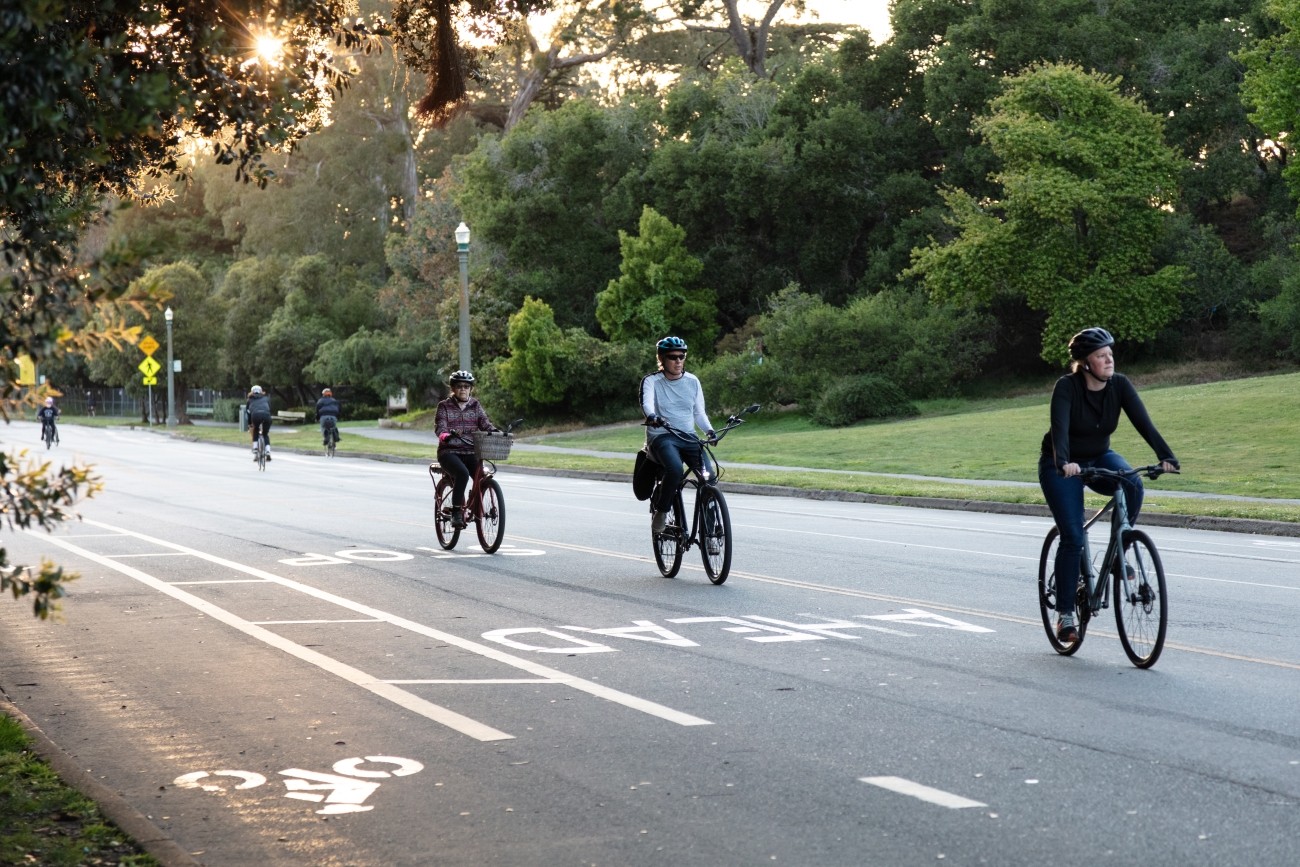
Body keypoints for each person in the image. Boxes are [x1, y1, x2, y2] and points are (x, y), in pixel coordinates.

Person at [1039, 327, 1179, 644]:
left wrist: (1166, 456)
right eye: (1101, 356)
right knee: (1073, 536)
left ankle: (1117, 557)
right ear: (1086, 363)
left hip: (1100, 455)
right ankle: (1065, 615)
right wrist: (1064, 463)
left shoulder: (1120, 385)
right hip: (1061, 465)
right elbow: (1059, 430)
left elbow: (1144, 423)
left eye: (1110, 354)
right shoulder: (1066, 388)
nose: (1109, 360)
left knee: (1132, 484)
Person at [639, 336, 716, 533]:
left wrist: (709, 430)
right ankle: (662, 512)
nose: (678, 361)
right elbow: (646, 404)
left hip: (687, 437)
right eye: (673, 357)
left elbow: (699, 412)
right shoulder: (651, 381)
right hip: (661, 437)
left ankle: (710, 528)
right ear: (662, 359)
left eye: (682, 356)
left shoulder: (692, 381)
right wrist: (653, 416)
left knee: (709, 477)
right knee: (674, 469)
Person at [435, 370, 497, 529]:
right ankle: (456, 512)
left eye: (466, 386)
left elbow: (485, 423)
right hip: (449, 452)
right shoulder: (444, 406)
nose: (463, 389)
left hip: (470, 450)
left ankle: (474, 505)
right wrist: (445, 435)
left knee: (482, 475)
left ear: (471, 389)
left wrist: (496, 432)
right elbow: (440, 427)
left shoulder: (475, 405)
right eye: (459, 386)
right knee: (462, 473)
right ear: (453, 389)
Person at [246, 385, 273, 461]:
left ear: (252, 392)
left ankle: (255, 447)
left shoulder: (249, 400)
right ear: (261, 391)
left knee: (256, 430)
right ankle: (268, 451)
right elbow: (269, 409)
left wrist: (249, 424)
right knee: (265, 434)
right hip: (266, 416)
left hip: (255, 416)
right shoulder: (266, 398)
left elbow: (248, 413)